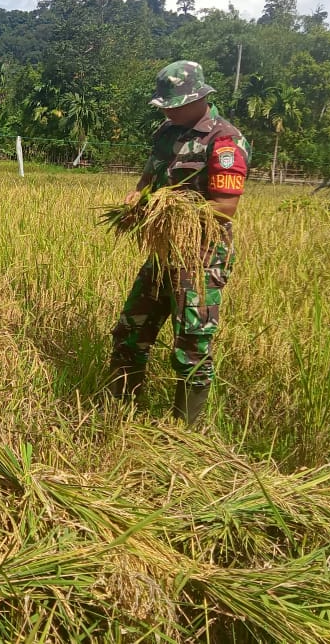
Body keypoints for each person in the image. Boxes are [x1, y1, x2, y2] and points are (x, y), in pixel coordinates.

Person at [109, 60, 250, 425]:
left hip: (201, 257)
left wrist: (166, 209)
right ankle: (118, 414)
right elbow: (146, 183)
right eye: (165, 106)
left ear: (199, 98)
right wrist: (137, 201)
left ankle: (184, 433)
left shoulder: (225, 141)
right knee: (130, 331)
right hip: (163, 253)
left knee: (191, 344)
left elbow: (225, 208)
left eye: (175, 105)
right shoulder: (166, 133)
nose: (169, 111)